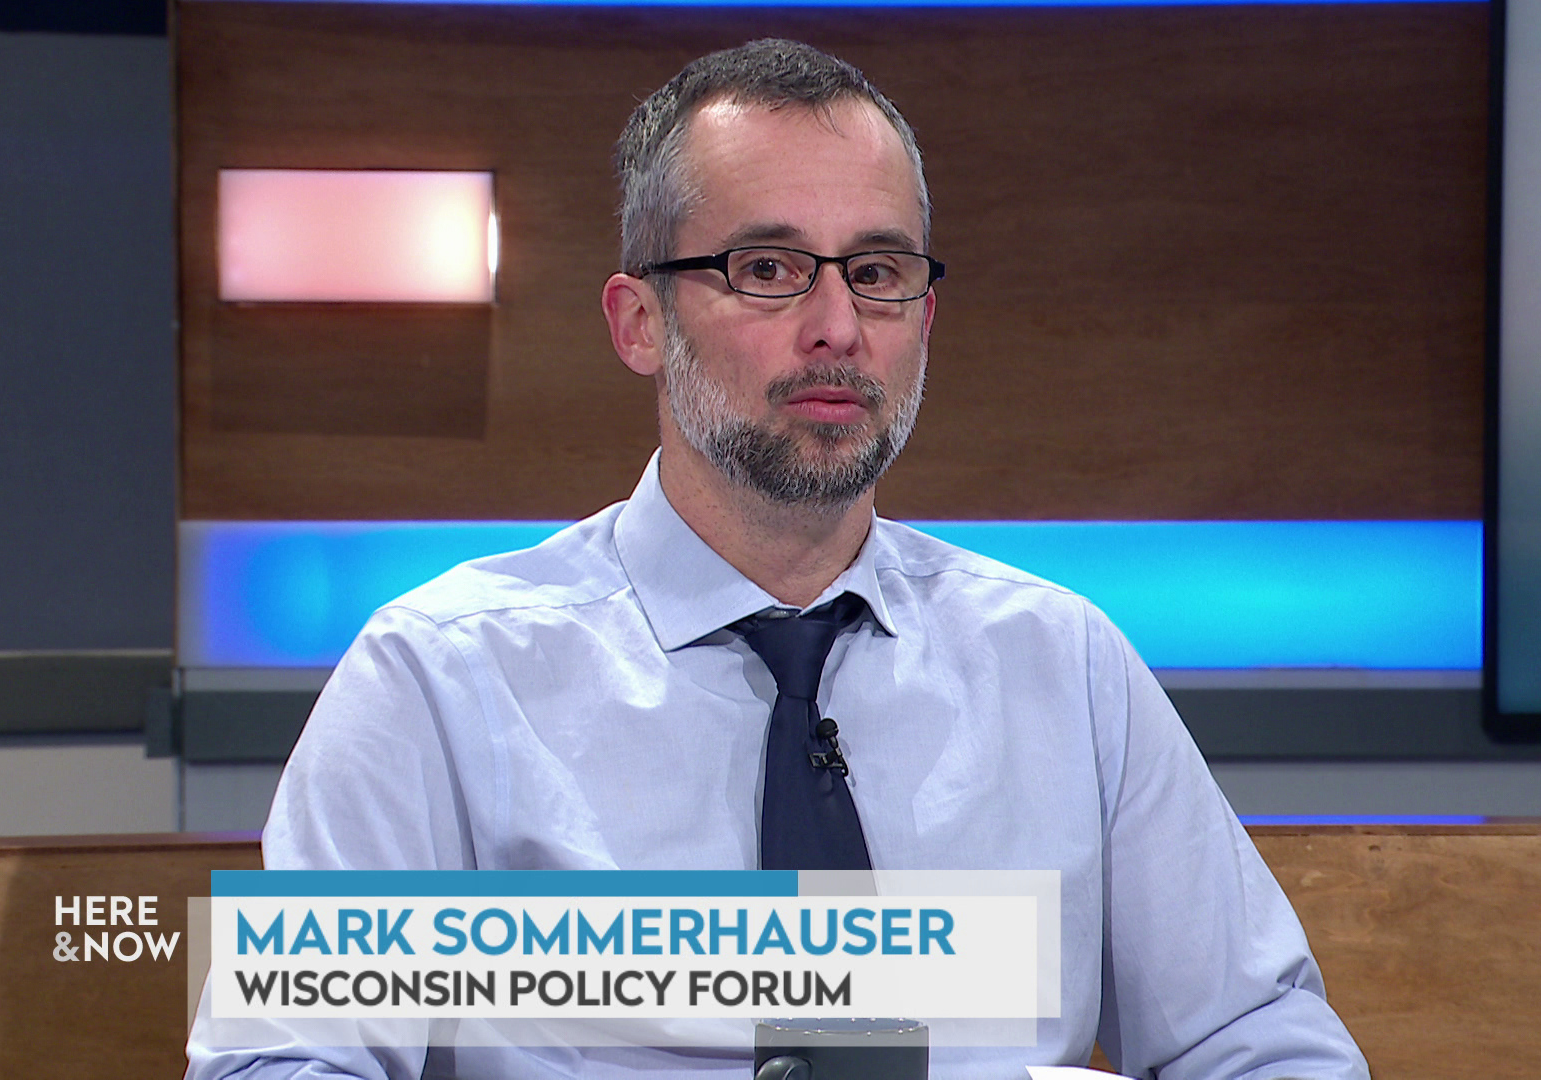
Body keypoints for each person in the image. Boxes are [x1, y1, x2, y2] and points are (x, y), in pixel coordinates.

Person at [188, 38, 1368, 1080]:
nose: (837, 327)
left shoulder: (1064, 667)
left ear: (922, 319)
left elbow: (1258, 1039)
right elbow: (277, 1063)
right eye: (767, 268)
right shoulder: (438, 679)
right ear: (639, 322)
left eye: (878, 273)